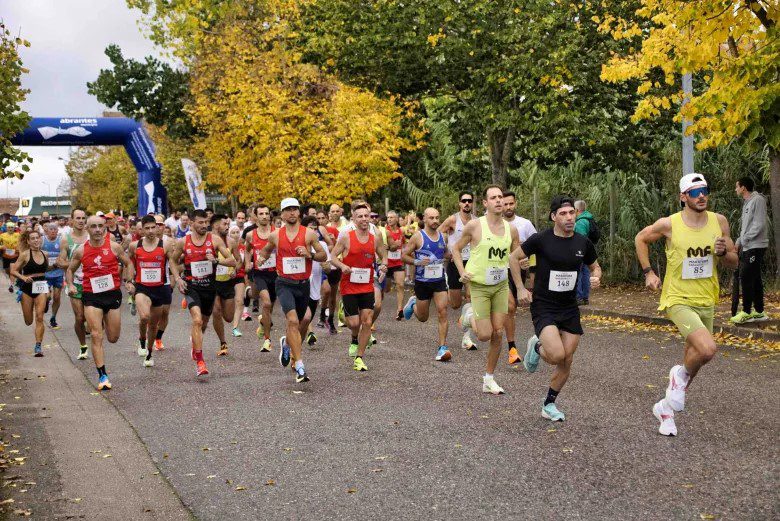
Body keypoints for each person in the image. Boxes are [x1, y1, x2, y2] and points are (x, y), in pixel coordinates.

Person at [635, 173, 738, 436]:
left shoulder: (719, 221)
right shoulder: (669, 224)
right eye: (694, 192)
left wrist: (723, 252)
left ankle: (665, 410)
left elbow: (733, 262)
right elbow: (641, 238)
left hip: (706, 298)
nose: (701, 196)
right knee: (708, 349)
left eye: (704, 190)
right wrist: (648, 272)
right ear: (683, 197)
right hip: (677, 298)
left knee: (696, 359)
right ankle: (678, 376)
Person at [510, 195, 601, 422]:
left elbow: (595, 266)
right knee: (556, 355)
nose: (569, 217)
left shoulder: (583, 242)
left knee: (566, 359)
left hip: (569, 307)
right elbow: (513, 258)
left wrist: (597, 277)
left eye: (571, 213)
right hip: (544, 305)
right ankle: (536, 345)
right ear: (553, 217)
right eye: (563, 214)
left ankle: (549, 404)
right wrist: (520, 288)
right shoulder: (541, 239)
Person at [452, 185, 521, 395]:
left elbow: (516, 255)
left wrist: (524, 262)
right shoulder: (475, 226)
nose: (499, 200)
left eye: (501, 197)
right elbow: (455, 248)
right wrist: (462, 271)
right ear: (485, 203)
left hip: (500, 285)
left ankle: (488, 379)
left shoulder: (512, 229)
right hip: (479, 286)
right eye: (493, 198)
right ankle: (468, 316)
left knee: (498, 333)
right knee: (484, 335)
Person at [253, 198, 327, 383]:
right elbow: (265, 251)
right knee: (292, 321)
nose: (292, 212)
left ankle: (287, 344)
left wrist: (309, 254)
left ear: (299, 212)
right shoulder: (275, 235)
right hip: (284, 284)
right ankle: (300, 365)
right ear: (282, 214)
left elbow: (323, 255)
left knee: (300, 323)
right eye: (288, 209)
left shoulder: (309, 234)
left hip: (303, 285)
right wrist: (261, 259)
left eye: (295, 209)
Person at [66, 216, 134, 391]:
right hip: (91, 295)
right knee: (96, 335)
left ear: (105, 228)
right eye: (93, 226)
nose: (97, 229)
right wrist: (71, 284)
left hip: (112, 295)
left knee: (113, 338)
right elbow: (70, 270)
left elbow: (128, 263)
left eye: (100, 226)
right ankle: (103, 376)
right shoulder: (81, 250)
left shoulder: (114, 247)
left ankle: (103, 321)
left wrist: (129, 281)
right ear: (87, 229)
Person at [172, 209, 236, 377]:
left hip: (210, 287)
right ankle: (200, 362)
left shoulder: (214, 240)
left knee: (204, 324)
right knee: (197, 320)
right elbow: (172, 260)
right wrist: (178, 278)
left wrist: (216, 260)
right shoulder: (183, 242)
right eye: (200, 222)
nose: (204, 225)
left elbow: (232, 261)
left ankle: (196, 343)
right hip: (192, 286)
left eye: (206, 222)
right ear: (191, 223)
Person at [329, 203, 387, 370]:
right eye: (360, 216)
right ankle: (354, 337)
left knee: (367, 321)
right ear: (353, 219)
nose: (364, 219)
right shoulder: (346, 237)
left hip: (367, 284)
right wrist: (342, 266)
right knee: (354, 324)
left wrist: (384, 265)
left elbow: (384, 255)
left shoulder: (375, 238)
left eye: (366, 216)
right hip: (349, 285)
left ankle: (359, 358)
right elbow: (333, 256)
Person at [128, 215, 180, 367]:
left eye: (153, 227)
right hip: (142, 287)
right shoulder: (135, 245)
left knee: (153, 325)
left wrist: (177, 278)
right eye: (147, 228)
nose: (150, 231)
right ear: (142, 230)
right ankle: (142, 340)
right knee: (144, 316)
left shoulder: (165, 245)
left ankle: (149, 353)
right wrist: (129, 281)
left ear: (157, 228)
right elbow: (129, 263)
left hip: (159, 288)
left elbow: (172, 262)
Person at [401, 207, 451, 362]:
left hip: (439, 280)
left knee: (443, 311)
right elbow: (404, 255)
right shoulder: (418, 237)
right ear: (424, 219)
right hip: (422, 282)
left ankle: (442, 347)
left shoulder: (443, 236)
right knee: (423, 317)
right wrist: (417, 261)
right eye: (431, 218)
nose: (435, 221)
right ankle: (413, 303)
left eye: (437, 218)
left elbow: (446, 253)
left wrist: (451, 255)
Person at [502, 190, 537, 365]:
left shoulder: (525, 224)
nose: (508, 207)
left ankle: (511, 348)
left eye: (511, 203)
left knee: (512, 308)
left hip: (516, 271)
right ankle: (512, 348)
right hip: (497, 271)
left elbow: (537, 249)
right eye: (505, 204)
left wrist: (530, 266)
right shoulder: (491, 224)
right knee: (509, 306)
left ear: (515, 203)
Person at [730, 177, 769, 324]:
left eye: (737, 186)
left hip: (756, 245)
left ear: (743, 188)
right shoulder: (747, 202)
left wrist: (744, 240)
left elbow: (759, 225)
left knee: (746, 276)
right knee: (755, 278)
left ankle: (747, 312)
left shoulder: (758, 200)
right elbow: (746, 227)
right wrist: (739, 241)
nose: (735, 189)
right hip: (749, 245)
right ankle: (759, 311)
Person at [11, 230, 50, 356]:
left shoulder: (45, 254)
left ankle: (38, 346)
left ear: (40, 239)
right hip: (27, 288)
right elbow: (14, 271)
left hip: (41, 287)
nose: (36, 240)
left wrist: (56, 266)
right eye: (32, 238)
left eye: (37, 238)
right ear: (28, 241)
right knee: (28, 321)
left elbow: (46, 269)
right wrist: (23, 278)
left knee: (39, 317)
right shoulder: (25, 254)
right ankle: (27, 302)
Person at [244, 204, 277, 352]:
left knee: (270, 307)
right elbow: (247, 250)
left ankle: (263, 323)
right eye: (261, 214)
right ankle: (267, 340)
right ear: (256, 216)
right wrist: (247, 263)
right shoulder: (251, 235)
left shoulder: (277, 232)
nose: (264, 216)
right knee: (267, 303)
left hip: (276, 273)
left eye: (266, 213)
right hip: (259, 273)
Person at [58, 209, 90, 359]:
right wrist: (75, 264)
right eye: (78, 218)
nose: (81, 221)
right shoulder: (66, 239)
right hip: (75, 282)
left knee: (94, 318)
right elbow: (60, 261)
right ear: (72, 220)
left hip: (93, 282)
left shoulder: (91, 236)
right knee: (80, 317)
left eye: (83, 218)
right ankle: (83, 346)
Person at [211, 214, 241, 356]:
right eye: (225, 224)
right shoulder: (208, 241)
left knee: (228, 317)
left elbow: (238, 260)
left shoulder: (232, 242)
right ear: (216, 225)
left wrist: (235, 270)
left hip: (227, 282)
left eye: (228, 224)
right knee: (216, 311)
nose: (227, 227)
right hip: (212, 283)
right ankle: (223, 342)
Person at [384, 211, 407, 320]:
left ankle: (400, 310)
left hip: (398, 262)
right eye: (388, 217)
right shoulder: (384, 231)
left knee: (400, 285)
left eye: (392, 217)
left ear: (397, 219)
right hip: (387, 263)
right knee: (387, 288)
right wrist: (392, 246)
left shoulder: (401, 231)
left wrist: (405, 253)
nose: (389, 219)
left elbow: (404, 244)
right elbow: (382, 247)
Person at [41, 222, 64, 329]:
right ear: (47, 230)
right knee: (47, 296)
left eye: (55, 229)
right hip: (46, 274)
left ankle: (53, 318)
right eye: (51, 229)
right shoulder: (42, 240)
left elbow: (66, 254)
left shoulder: (61, 241)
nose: (53, 231)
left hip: (58, 273)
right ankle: (46, 302)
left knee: (57, 297)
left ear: (57, 231)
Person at [574, 200, 596, 306]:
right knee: (586, 273)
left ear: (577, 210)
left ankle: (579, 297)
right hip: (588, 252)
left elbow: (580, 239)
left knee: (578, 273)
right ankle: (585, 297)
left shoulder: (580, 222)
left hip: (581, 252)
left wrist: (578, 252)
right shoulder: (589, 218)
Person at [229, 225, 248, 336]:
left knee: (239, 301)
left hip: (239, 276)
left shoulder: (243, 247)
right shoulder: (224, 246)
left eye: (237, 232)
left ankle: (235, 328)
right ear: (229, 234)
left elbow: (246, 262)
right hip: (225, 277)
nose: (236, 235)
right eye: (233, 232)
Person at [1, 221, 20, 292]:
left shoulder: (18, 235)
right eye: (9, 227)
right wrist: (1, 247)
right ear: (6, 228)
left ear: (14, 228)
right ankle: (12, 277)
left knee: (12, 269)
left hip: (15, 255)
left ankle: (11, 285)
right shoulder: (2, 235)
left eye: (12, 227)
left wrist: (19, 248)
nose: (10, 229)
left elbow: (22, 243)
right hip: (5, 256)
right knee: (7, 271)